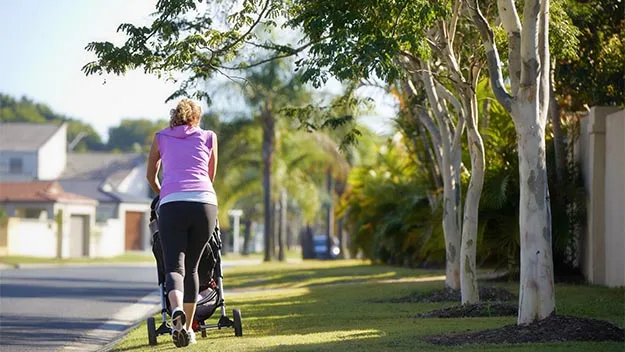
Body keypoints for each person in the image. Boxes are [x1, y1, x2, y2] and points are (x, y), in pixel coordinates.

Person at [146, 98, 218, 348]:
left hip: (172, 203)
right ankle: (187, 327)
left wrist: (163, 192)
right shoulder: (209, 136)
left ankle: (176, 312)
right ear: (196, 118)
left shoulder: (161, 137)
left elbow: (150, 174)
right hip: (204, 203)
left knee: (174, 266)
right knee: (193, 268)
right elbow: (210, 175)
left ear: (174, 116)